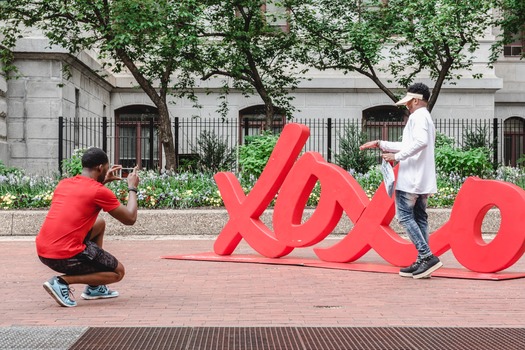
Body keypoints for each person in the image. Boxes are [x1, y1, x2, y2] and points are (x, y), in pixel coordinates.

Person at [36, 147, 140, 307]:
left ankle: (95, 287)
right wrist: (132, 187)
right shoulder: (99, 192)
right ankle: (62, 281)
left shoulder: (64, 184)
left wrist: (103, 181)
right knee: (117, 272)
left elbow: (86, 194)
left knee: (99, 223)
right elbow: (130, 218)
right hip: (64, 256)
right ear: (100, 167)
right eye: (106, 167)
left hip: (44, 251)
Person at [359, 82, 442, 279]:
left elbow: (419, 143)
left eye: (408, 102)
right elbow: (411, 144)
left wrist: (397, 157)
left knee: (404, 216)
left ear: (415, 100)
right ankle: (424, 260)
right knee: (420, 218)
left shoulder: (417, 117)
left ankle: (426, 256)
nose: (406, 105)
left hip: (411, 178)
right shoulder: (425, 117)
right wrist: (380, 143)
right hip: (421, 179)